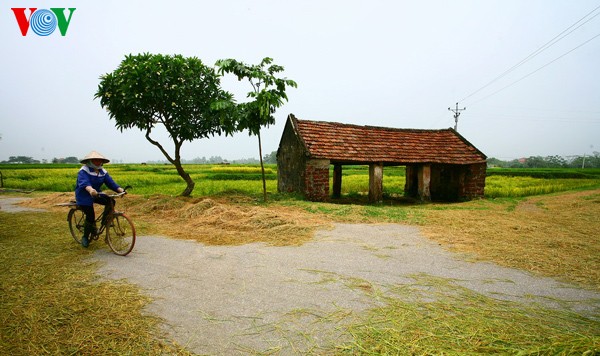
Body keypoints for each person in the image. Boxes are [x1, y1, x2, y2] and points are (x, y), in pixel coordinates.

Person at [75, 151, 125, 247]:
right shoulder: (84, 171)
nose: (98, 162)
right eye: (95, 160)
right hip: (84, 195)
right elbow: (84, 183)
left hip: (96, 193)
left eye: (99, 160)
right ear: (90, 161)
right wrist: (90, 190)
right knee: (90, 215)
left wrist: (120, 189)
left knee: (110, 201)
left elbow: (110, 182)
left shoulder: (102, 171)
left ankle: (105, 221)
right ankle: (85, 237)